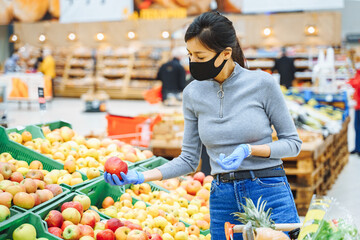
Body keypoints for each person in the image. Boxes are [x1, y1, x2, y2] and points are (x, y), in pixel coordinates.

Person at [104, 12, 302, 239]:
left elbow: (293, 143)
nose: (193, 63)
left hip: (267, 190)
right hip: (223, 197)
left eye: (200, 56)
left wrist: (250, 150)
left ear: (226, 54)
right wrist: (141, 176)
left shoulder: (262, 84)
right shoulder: (192, 93)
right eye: (190, 55)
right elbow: (188, 160)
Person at [348, 69, 360, 155]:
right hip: (357, 104)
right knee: (356, 127)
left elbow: (357, 84)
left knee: (358, 126)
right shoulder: (357, 72)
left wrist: (349, 82)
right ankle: (357, 147)